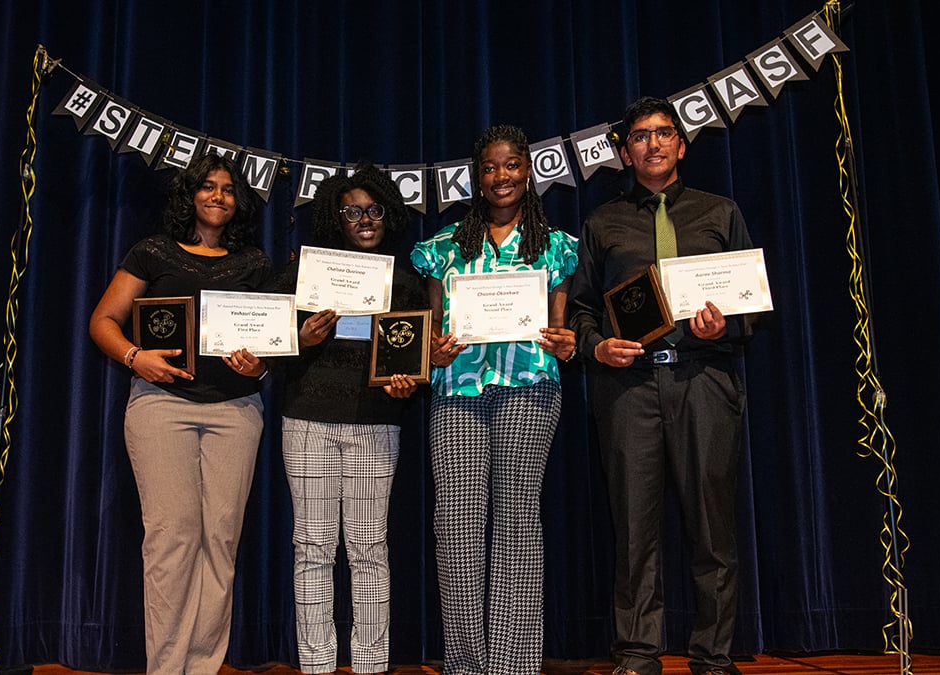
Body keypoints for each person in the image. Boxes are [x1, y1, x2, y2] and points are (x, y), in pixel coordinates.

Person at [566, 96, 755, 675]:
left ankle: (714, 655)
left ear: (682, 143)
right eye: (641, 136)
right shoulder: (602, 223)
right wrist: (597, 346)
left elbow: (753, 305)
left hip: (705, 378)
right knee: (634, 528)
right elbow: (580, 311)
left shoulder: (720, 213)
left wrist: (730, 323)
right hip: (629, 389)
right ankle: (638, 654)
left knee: (712, 528)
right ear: (625, 153)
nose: (653, 143)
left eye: (664, 133)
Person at [88, 153, 273, 675]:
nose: (218, 196)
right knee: (173, 537)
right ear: (189, 195)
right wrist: (134, 356)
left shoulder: (255, 263)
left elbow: (271, 344)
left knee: (220, 538)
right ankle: (166, 668)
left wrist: (260, 363)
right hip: (160, 408)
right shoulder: (152, 251)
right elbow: (103, 320)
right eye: (208, 187)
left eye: (229, 189)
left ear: (239, 202)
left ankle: (203, 666)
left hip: (237, 410)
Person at [411, 124, 579, 675]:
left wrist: (566, 341)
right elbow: (433, 331)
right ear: (476, 177)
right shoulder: (441, 248)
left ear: (527, 170)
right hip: (457, 392)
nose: (500, 176)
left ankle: (512, 665)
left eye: (510, 165)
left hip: (529, 390)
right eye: (489, 167)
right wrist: (432, 352)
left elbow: (559, 328)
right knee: (456, 524)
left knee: (517, 521)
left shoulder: (555, 247)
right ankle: (465, 663)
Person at [275, 162, 427, 675]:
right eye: (352, 212)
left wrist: (409, 383)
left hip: (375, 424)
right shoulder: (302, 277)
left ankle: (370, 666)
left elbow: (413, 363)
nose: (364, 219)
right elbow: (271, 349)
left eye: (373, 209)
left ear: (388, 213)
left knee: (369, 549)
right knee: (312, 548)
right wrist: (303, 339)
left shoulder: (406, 285)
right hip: (306, 421)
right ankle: (316, 666)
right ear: (334, 219)